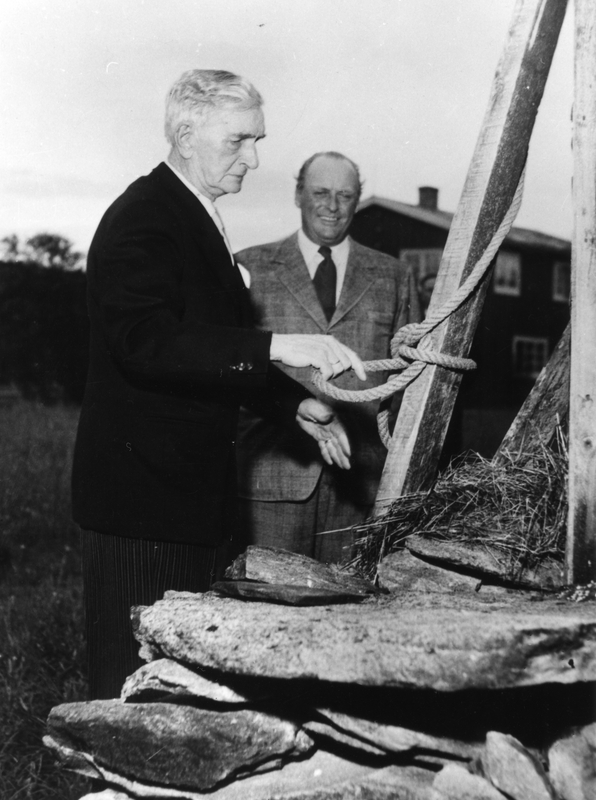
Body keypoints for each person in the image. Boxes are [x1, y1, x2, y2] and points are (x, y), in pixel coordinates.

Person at [71, 72, 367, 700]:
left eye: (256, 141)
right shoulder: (144, 217)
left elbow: (202, 355)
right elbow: (145, 343)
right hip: (143, 511)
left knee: (177, 695)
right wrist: (277, 346)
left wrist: (296, 405)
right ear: (184, 134)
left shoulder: (193, 214)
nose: (253, 159)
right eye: (238, 141)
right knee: (129, 696)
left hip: (185, 502)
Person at [236, 151, 421, 564]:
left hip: (364, 486)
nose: (333, 206)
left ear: (358, 200)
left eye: (345, 195)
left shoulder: (393, 276)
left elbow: (413, 385)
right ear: (298, 194)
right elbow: (230, 373)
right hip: (271, 484)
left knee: (355, 613)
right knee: (267, 611)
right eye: (320, 192)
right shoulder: (249, 267)